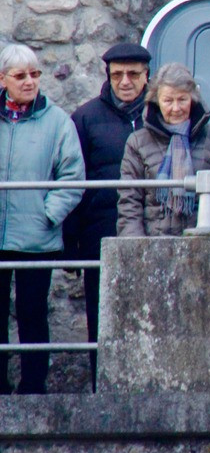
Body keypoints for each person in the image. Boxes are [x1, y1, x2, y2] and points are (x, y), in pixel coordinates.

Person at [62, 42, 151, 390]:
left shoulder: (160, 114)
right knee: (102, 316)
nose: (125, 81)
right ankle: (104, 387)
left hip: (152, 230)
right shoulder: (85, 118)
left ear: (147, 76)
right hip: (100, 232)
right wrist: (71, 245)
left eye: (133, 74)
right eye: (117, 75)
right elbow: (72, 181)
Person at [0, 44, 85, 394]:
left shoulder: (57, 122)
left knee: (33, 313)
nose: (30, 82)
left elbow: (73, 177)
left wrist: (48, 215)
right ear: (3, 80)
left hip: (37, 237)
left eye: (35, 74)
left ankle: (34, 386)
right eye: (20, 76)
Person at [117, 63, 210, 237]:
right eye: (168, 100)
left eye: (182, 99)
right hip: (155, 243)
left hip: (207, 242)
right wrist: (135, 247)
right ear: (156, 101)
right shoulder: (138, 142)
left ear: (193, 99)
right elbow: (130, 201)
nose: (176, 108)